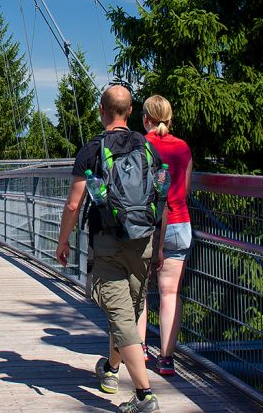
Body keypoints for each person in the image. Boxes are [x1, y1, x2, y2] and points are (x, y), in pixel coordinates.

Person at [55, 84, 161, 413]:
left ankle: (144, 396)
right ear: (131, 112)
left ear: (101, 111)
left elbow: (74, 205)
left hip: (108, 241)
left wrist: (63, 241)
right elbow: (163, 198)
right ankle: (112, 370)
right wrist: (157, 248)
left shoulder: (92, 150)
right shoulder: (147, 148)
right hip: (144, 240)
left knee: (121, 316)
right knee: (127, 311)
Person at [136, 95, 193, 377]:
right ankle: (167, 359)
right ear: (169, 119)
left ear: (145, 118)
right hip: (180, 223)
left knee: (140, 292)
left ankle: (141, 349)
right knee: (170, 293)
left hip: (148, 225)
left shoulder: (140, 145)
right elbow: (186, 189)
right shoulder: (183, 148)